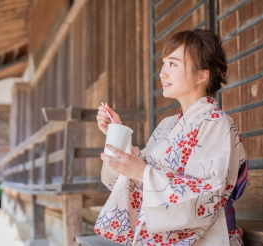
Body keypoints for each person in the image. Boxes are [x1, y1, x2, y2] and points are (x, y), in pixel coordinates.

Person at [94, 29, 248, 246]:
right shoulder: (167, 125)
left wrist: (143, 173)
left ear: (202, 75)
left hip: (204, 238)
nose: (162, 73)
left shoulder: (217, 123)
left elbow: (206, 195)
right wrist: (117, 133)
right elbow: (127, 180)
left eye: (173, 64)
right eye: (163, 64)